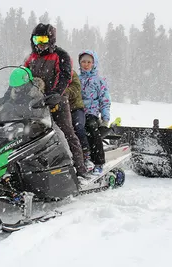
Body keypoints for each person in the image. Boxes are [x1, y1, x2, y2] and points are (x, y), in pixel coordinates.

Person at [23, 23, 91, 179]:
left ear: (51, 39)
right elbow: (21, 76)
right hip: (34, 103)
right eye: (36, 39)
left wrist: (56, 94)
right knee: (28, 133)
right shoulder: (31, 58)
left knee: (67, 133)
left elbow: (65, 76)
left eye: (43, 39)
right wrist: (9, 95)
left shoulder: (60, 55)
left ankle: (80, 168)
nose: (39, 43)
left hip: (57, 102)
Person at [78, 50, 112, 175]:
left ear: (94, 63)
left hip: (92, 112)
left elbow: (105, 100)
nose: (86, 64)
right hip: (78, 111)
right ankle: (80, 159)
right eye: (83, 62)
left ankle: (98, 162)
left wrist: (105, 119)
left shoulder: (99, 80)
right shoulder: (76, 78)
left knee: (92, 129)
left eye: (89, 62)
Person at [66, 71, 93, 170]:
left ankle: (86, 156)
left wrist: (62, 92)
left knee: (78, 127)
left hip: (75, 108)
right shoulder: (50, 74)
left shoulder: (71, 73)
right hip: (58, 109)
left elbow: (76, 88)